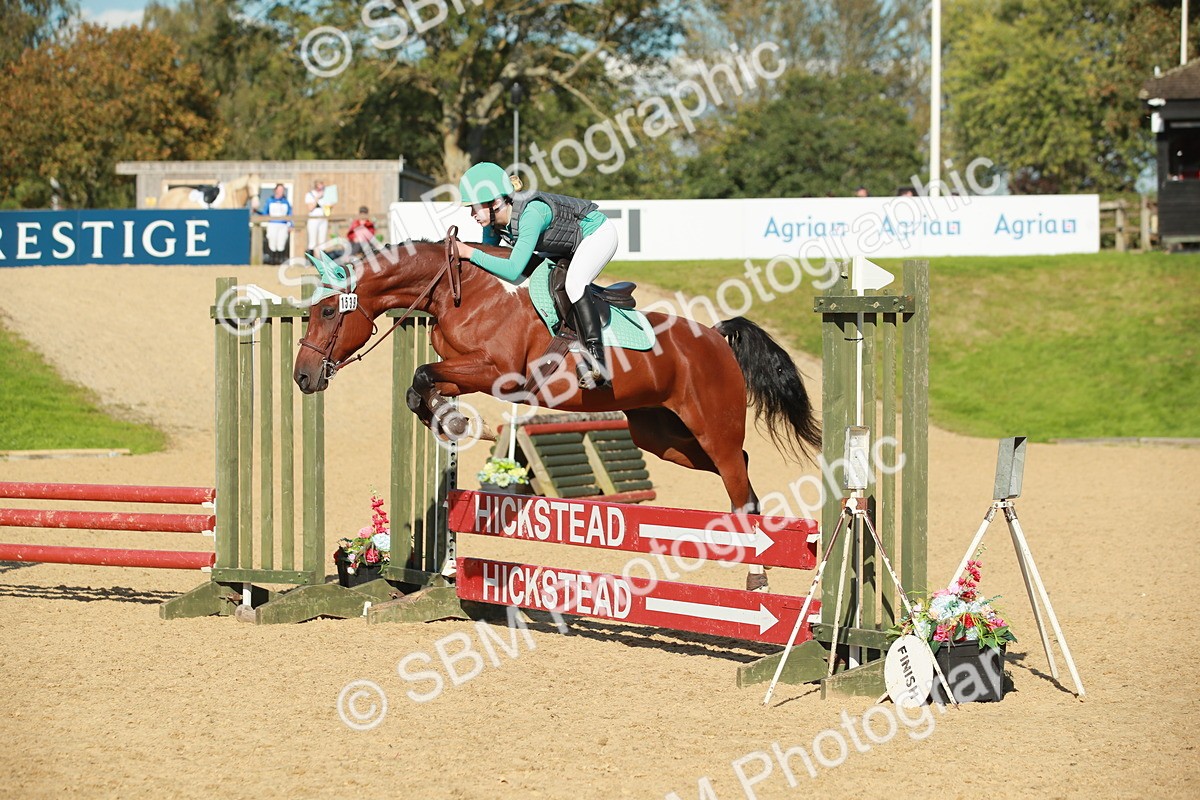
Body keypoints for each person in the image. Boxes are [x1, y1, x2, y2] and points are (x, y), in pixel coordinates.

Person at [455, 162, 617, 390]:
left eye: (474, 207)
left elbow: (511, 269)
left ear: (495, 202)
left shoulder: (531, 213)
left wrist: (469, 252)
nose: (471, 214)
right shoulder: (492, 223)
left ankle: (596, 359)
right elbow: (489, 263)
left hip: (597, 234)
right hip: (565, 245)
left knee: (574, 283)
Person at [260, 184, 292, 265]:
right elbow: (264, 212)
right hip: (272, 224)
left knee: (281, 242)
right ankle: (272, 260)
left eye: (282, 190)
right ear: (275, 190)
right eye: (279, 190)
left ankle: (280, 260)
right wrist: (257, 212)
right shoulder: (270, 201)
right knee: (272, 241)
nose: (281, 192)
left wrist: (291, 224)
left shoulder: (285, 202)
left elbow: (290, 214)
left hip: (283, 224)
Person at [304, 179, 330, 255]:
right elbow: (310, 208)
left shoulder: (325, 195)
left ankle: (323, 260)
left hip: (323, 218)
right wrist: (317, 198)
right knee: (312, 240)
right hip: (313, 219)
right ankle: (311, 260)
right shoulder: (310, 195)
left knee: (322, 240)